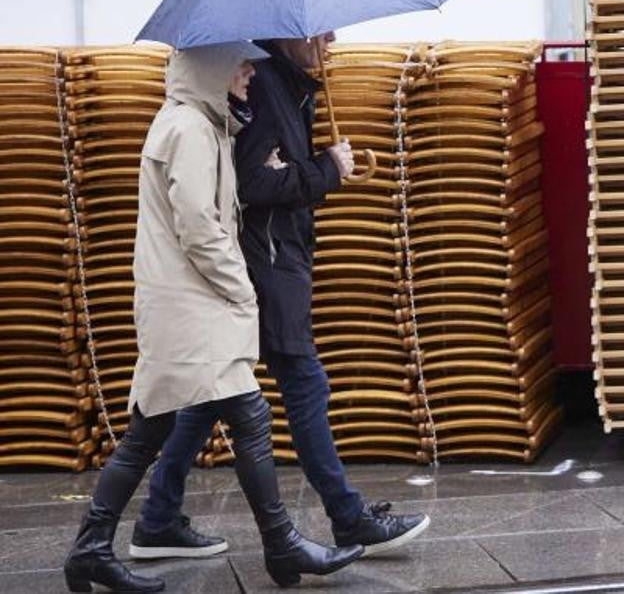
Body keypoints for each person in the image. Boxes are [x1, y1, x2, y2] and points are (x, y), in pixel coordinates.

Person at [64, 42, 363, 593]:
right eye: (241, 63)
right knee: (247, 418)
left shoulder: (203, 126)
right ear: (210, 69)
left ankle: (94, 548)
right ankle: (282, 546)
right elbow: (199, 226)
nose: (252, 70)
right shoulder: (190, 132)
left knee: (150, 432)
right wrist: (242, 290)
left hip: (187, 305)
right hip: (191, 305)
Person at [129, 32, 429, 564]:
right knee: (304, 384)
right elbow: (247, 186)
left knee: (204, 400)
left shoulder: (290, 87)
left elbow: (268, 174)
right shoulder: (263, 88)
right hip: (262, 266)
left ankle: (156, 520)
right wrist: (325, 170)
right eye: (322, 29)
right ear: (288, 33)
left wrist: (316, 164)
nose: (331, 38)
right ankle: (346, 516)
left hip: (274, 260)